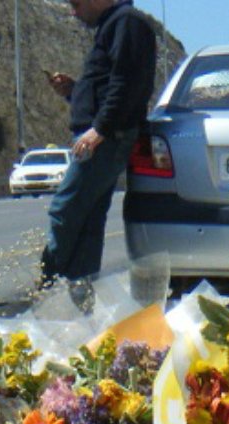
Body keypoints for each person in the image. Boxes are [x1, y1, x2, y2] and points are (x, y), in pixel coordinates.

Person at [38, 0, 156, 291]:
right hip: (105, 136)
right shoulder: (116, 23)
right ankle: (79, 296)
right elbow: (109, 86)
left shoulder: (126, 22)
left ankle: (48, 288)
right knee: (88, 219)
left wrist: (100, 129)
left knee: (65, 210)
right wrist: (75, 91)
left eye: (76, 4)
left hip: (106, 139)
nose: (74, 12)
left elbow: (126, 82)